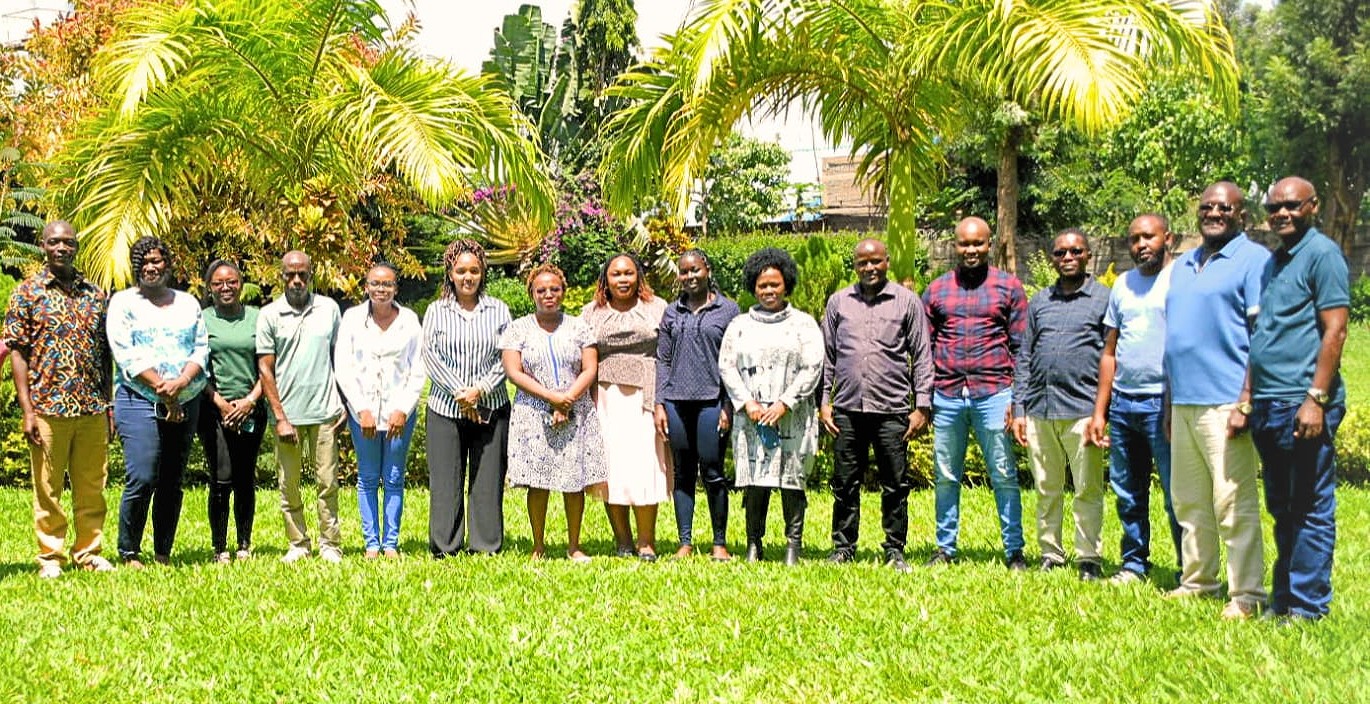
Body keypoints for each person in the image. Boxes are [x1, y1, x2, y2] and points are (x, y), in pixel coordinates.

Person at [1164, 181, 1269, 619]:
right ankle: (1198, 580)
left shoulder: (1254, 260)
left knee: (1232, 501)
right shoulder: (1186, 263)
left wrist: (1246, 400)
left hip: (1226, 401)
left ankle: (1247, 594)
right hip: (1184, 401)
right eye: (1206, 207)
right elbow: (1174, 338)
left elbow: (1261, 338)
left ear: (1241, 215)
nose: (1213, 213)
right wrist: (1170, 403)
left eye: (1224, 208)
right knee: (1189, 500)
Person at [1248, 177, 1349, 621]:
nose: (1282, 213)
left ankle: (1307, 608)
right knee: (1282, 507)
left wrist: (1316, 398)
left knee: (1308, 507)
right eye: (1274, 207)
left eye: (1291, 205)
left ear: (1313, 206)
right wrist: (1248, 395)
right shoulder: (1275, 262)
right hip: (1269, 402)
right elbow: (1263, 334)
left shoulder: (1322, 254)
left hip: (1301, 401)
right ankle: (1283, 599)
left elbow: (1336, 330)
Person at [3, 221, 115, 577]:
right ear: (43, 246)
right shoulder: (27, 293)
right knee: (48, 488)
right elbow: (18, 353)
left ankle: (89, 551)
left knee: (92, 486)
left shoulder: (95, 295)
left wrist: (109, 405)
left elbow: (105, 354)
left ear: (76, 247)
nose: (62, 248)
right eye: (55, 242)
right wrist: (27, 410)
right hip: (47, 407)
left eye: (68, 242)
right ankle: (50, 557)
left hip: (91, 407)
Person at [819, 238, 932, 573]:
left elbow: (922, 355)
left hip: (892, 409)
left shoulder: (906, 302)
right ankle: (843, 546)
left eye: (875, 262)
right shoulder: (839, 302)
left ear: (887, 262)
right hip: (847, 409)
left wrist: (922, 405)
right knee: (844, 482)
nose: (869, 268)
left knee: (895, 484)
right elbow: (828, 357)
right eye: (862, 263)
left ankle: (894, 549)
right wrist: (824, 401)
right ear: (854, 266)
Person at [922, 217, 1028, 569]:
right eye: (964, 244)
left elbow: (1021, 347)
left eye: (978, 244)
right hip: (948, 394)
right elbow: (926, 345)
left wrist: (1018, 398)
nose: (971, 250)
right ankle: (945, 548)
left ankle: (1014, 550)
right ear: (955, 245)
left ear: (989, 244)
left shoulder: (1008, 287)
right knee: (946, 475)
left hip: (994, 393)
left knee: (1002, 474)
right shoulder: (937, 290)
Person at [1086, 214, 1183, 584]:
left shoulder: (1180, 282)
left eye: (1149, 237)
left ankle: (1188, 569)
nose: (1142, 244)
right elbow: (1109, 351)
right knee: (1128, 491)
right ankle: (1134, 564)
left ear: (1168, 238)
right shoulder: (1123, 285)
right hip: (1125, 403)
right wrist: (1101, 412)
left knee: (1177, 496)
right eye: (1134, 239)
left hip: (1165, 403)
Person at [1010, 229, 1109, 580]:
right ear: (1053, 258)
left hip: (1082, 410)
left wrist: (1102, 412)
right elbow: (1025, 356)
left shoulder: (1103, 299)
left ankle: (1088, 557)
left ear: (1087, 255)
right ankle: (1051, 553)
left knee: (1087, 489)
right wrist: (1019, 408)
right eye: (1060, 252)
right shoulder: (1039, 301)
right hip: (1040, 410)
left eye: (1074, 251)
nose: (1067, 257)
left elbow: (1111, 356)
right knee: (1047, 488)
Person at [106, 236, 208, 568]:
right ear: (136, 267)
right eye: (144, 262)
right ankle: (129, 551)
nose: (151, 267)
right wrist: (164, 389)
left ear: (168, 265)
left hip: (186, 396)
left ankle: (163, 551)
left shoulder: (188, 302)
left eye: (157, 261)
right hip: (138, 398)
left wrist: (180, 384)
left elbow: (201, 348)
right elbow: (125, 353)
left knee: (171, 479)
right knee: (143, 474)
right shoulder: (122, 303)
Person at [719, 248, 823, 566]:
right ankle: (754, 544)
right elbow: (727, 366)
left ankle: (793, 546)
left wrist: (785, 403)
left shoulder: (804, 325)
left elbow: (813, 366)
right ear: (754, 287)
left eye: (774, 284)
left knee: (792, 482)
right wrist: (747, 403)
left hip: (792, 416)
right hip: (751, 418)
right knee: (756, 483)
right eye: (762, 285)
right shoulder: (739, 325)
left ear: (786, 285)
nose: (768, 291)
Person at [499, 264, 608, 562]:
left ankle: (574, 545)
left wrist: (568, 399)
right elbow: (513, 372)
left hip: (576, 409)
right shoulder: (517, 328)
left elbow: (590, 368)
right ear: (532, 293)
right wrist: (552, 398)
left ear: (563, 291)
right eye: (541, 290)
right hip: (533, 411)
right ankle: (538, 545)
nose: (548, 294)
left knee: (573, 479)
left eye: (554, 289)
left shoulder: (579, 327)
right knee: (539, 481)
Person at [423, 239, 512, 557]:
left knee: (487, 479)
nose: (467, 277)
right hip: (445, 409)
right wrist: (461, 394)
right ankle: (446, 545)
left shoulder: (499, 309)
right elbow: (430, 355)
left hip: (492, 407)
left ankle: (485, 544)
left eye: (474, 270)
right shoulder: (436, 311)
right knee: (446, 480)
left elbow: (507, 356)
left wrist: (480, 391)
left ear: (482, 272)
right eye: (461, 270)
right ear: (450, 273)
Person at [257, 250, 346, 564]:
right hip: (289, 417)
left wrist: (345, 401)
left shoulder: (329, 309)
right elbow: (266, 369)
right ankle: (298, 544)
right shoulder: (269, 315)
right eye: (290, 275)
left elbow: (341, 358)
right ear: (281, 276)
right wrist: (280, 417)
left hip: (326, 413)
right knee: (289, 484)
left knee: (327, 482)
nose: (296, 280)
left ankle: (330, 545)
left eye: (302, 275)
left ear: (312, 276)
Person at [582, 253, 672, 561]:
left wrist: (664, 399)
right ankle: (622, 540)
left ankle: (647, 541)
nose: (623, 279)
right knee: (612, 469)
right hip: (604, 398)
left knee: (645, 467)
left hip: (645, 398)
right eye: (616, 274)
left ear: (639, 277)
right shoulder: (590, 313)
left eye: (629, 273)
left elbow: (669, 354)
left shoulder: (657, 309)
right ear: (605, 279)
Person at [335, 262, 425, 559]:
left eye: (387, 284)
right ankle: (372, 543)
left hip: (400, 413)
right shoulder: (351, 319)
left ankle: (391, 543)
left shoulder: (409, 320)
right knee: (369, 478)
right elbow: (343, 367)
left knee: (395, 478)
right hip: (364, 415)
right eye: (376, 284)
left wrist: (403, 408)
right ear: (366, 287)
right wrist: (362, 409)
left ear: (396, 288)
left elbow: (418, 367)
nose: (381, 289)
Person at [655, 249, 740, 561]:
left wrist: (728, 406)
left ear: (708, 269)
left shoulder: (728, 310)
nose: (690, 276)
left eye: (695, 270)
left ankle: (720, 543)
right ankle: (685, 542)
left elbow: (735, 361)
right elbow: (662, 360)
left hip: (712, 401)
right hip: (677, 402)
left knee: (714, 471)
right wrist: (659, 404)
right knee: (683, 473)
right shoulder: (671, 312)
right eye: (684, 271)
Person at [198, 260, 266, 564]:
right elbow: (197, 367)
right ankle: (220, 547)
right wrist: (222, 404)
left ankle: (244, 544)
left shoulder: (257, 318)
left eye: (232, 282)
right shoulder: (201, 320)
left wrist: (250, 400)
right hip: (215, 410)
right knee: (221, 476)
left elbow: (267, 365)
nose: (225, 287)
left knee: (244, 476)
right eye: (218, 283)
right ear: (209, 288)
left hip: (252, 408)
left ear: (240, 284)